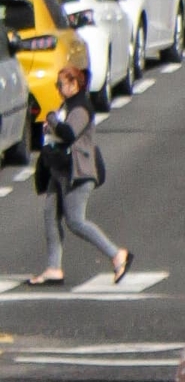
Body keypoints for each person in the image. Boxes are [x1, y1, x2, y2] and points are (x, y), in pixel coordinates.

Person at [26, 55, 128, 286]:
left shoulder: (81, 107)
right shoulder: (69, 105)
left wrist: (51, 119)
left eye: (60, 85)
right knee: (50, 214)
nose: (58, 90)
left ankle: (116, 255)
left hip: (77, 172)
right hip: (59, 168)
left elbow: (69, 133)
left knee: (75, 221)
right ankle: (53, 268)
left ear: (74, 84)